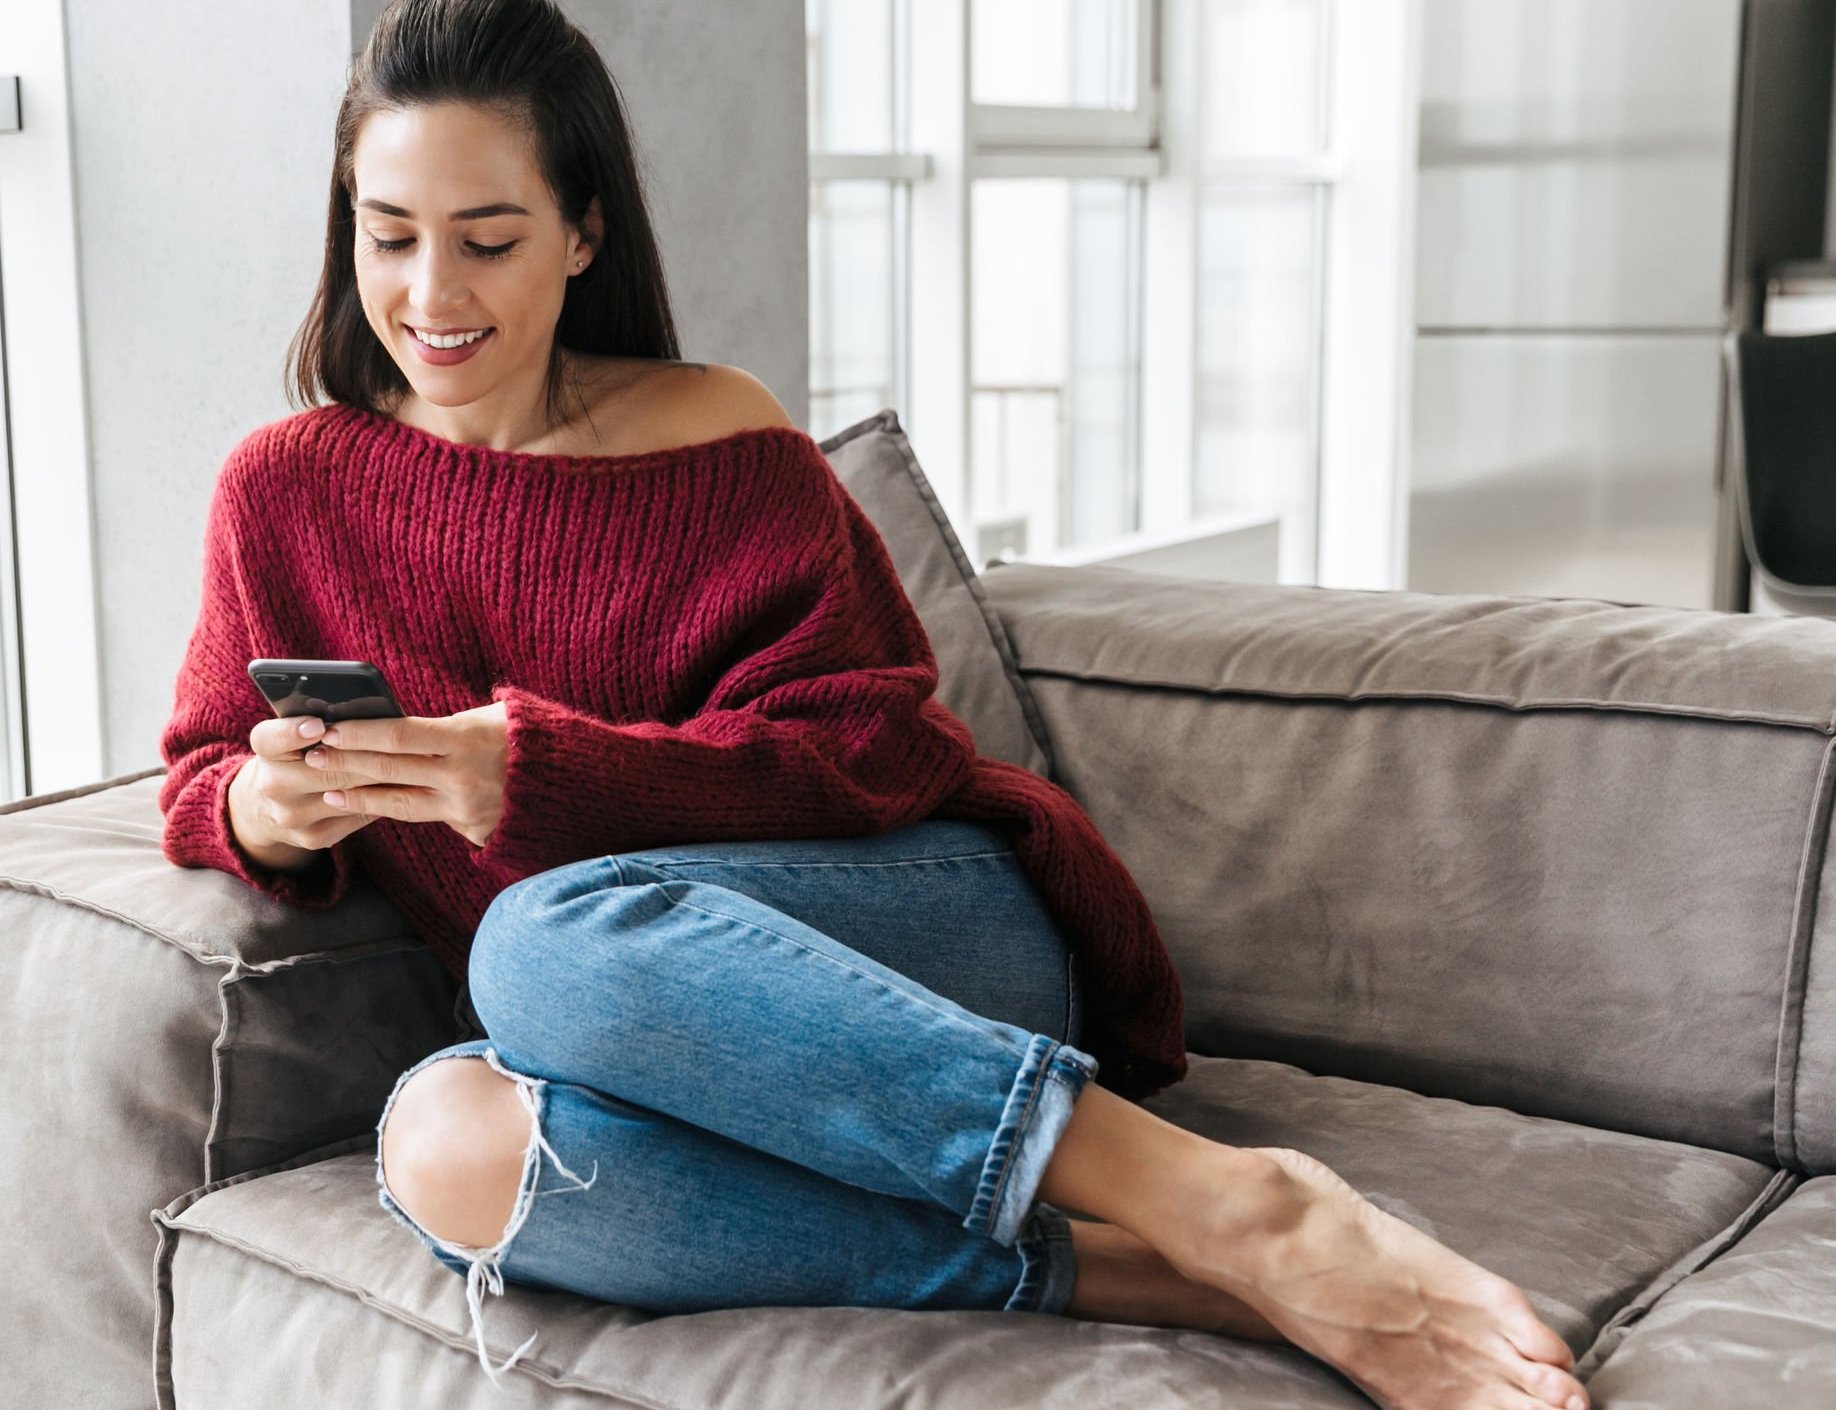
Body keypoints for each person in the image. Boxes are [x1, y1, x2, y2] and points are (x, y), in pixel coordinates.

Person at [155, 3, 1590, 1408]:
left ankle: (1241, 1208)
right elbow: (201, 773)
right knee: (447, 1147)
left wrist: (527, 775)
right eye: (388, 233)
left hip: (921, 931)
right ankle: (1147, 1271)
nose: (430, 295)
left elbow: (876, 752)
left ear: (584, 233)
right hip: (652, 1030)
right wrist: (264, 808)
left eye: (488, 239)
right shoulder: (283, 492)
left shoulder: (722, 436)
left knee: (536, 940)